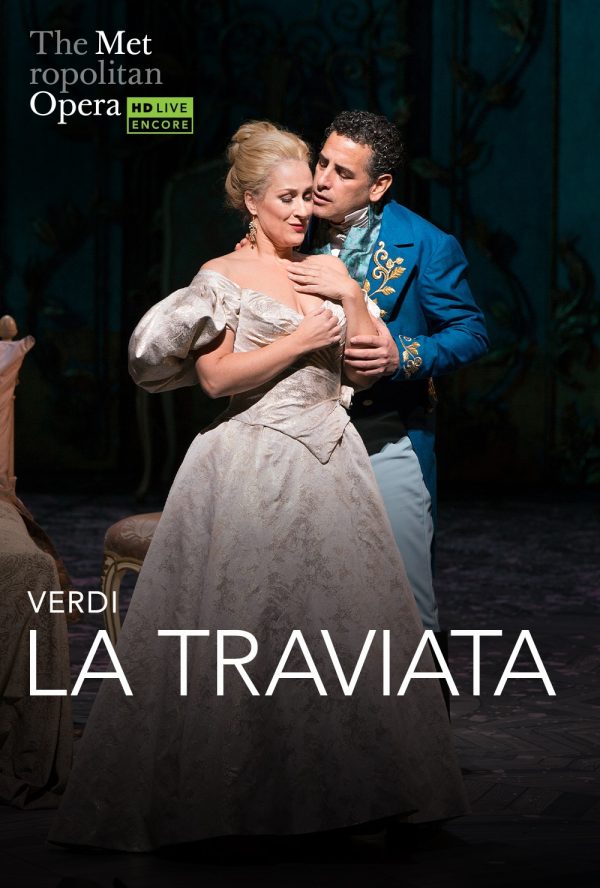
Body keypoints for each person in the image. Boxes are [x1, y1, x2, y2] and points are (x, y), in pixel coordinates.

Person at [49, 121, 467, 852]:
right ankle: (231, 800)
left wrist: (351, 297)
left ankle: (345, 796)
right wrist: (300, 339)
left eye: (309, 195)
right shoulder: (222, 275)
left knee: (343, 632)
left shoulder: (323, 267)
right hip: (255, 460)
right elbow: (214, 381)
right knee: (247, 630)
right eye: (287, 198)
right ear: (250, 201)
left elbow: (366, 364)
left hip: (334, 459)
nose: (305, 209)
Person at [288, 111, 489, 636]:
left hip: (388, 429)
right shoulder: (288, 225)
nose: (322, 180)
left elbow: (471, 332)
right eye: (322, 163)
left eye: (343, 173)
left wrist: (403, 356)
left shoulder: (425, 242)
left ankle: (419, 691)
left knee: (404, 595)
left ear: (378, 186)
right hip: (299, 432)